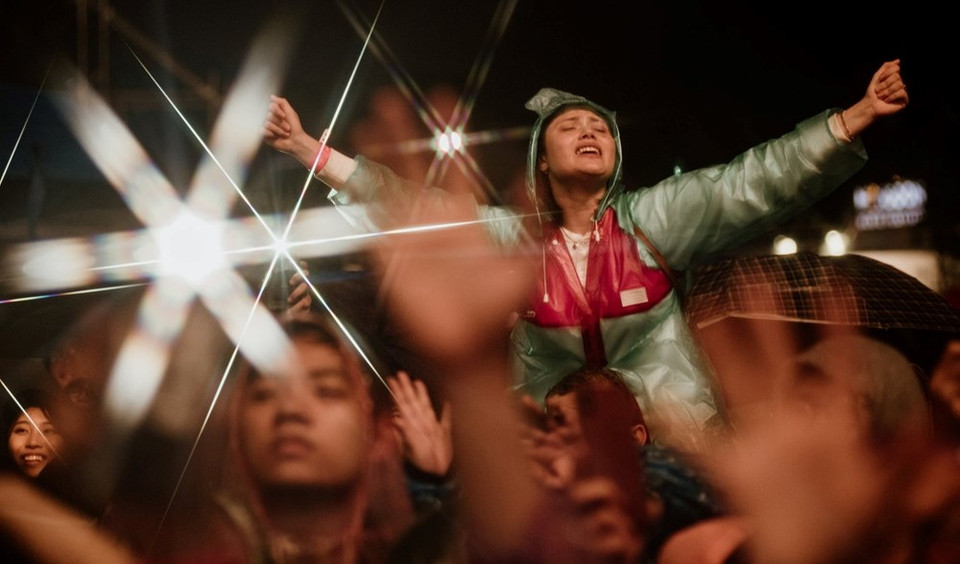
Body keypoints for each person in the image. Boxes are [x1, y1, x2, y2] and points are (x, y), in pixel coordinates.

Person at [263, 59, 909, 451]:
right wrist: (306, 149)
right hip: (551, 438)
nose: (590, 131)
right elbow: (411, 206)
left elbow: (751, 182)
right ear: (542, 159)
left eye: (600, 127)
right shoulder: (513, 239)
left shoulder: (654, 220)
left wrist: (853, 117)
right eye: (570, 127)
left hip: (672, 437)